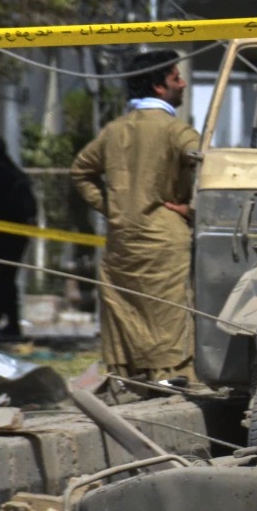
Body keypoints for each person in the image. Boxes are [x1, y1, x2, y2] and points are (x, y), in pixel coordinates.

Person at [71, 50, 200, 384]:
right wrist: (191, 211)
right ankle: (171, 377)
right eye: (176, 78)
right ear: (159, 87)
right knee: (168, 312)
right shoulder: (176, 130)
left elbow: (81, 171)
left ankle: (133, 379)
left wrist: (112, 207)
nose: (183, 84)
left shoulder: (114, 130)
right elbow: (208, 166)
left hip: (121, 241)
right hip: (165, 240)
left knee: (126, 310)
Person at [0, 138, 38, 340]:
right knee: (6, 279)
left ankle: (2, 319)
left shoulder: (5, 176)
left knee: (6, 279)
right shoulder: (9, 173)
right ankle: (7, 321)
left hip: (11, 236)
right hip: (8, 235)